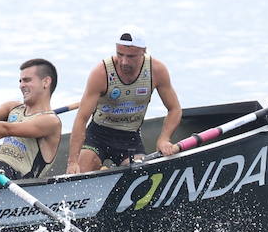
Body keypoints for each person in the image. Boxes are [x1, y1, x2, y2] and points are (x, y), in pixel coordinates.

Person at [66, 26, 183, 174]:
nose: (124, 62)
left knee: (140, 173)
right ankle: (99, 169)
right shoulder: (101, 73)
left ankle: (107, 171)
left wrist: (164, 139)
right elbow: (81, 119)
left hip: (129, 136)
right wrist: (73, 162)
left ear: (144, 51)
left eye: (131, 56)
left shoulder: (157, 70)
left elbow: (175, 109)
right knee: (84, 167)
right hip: (98, 134)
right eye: (120, 54)